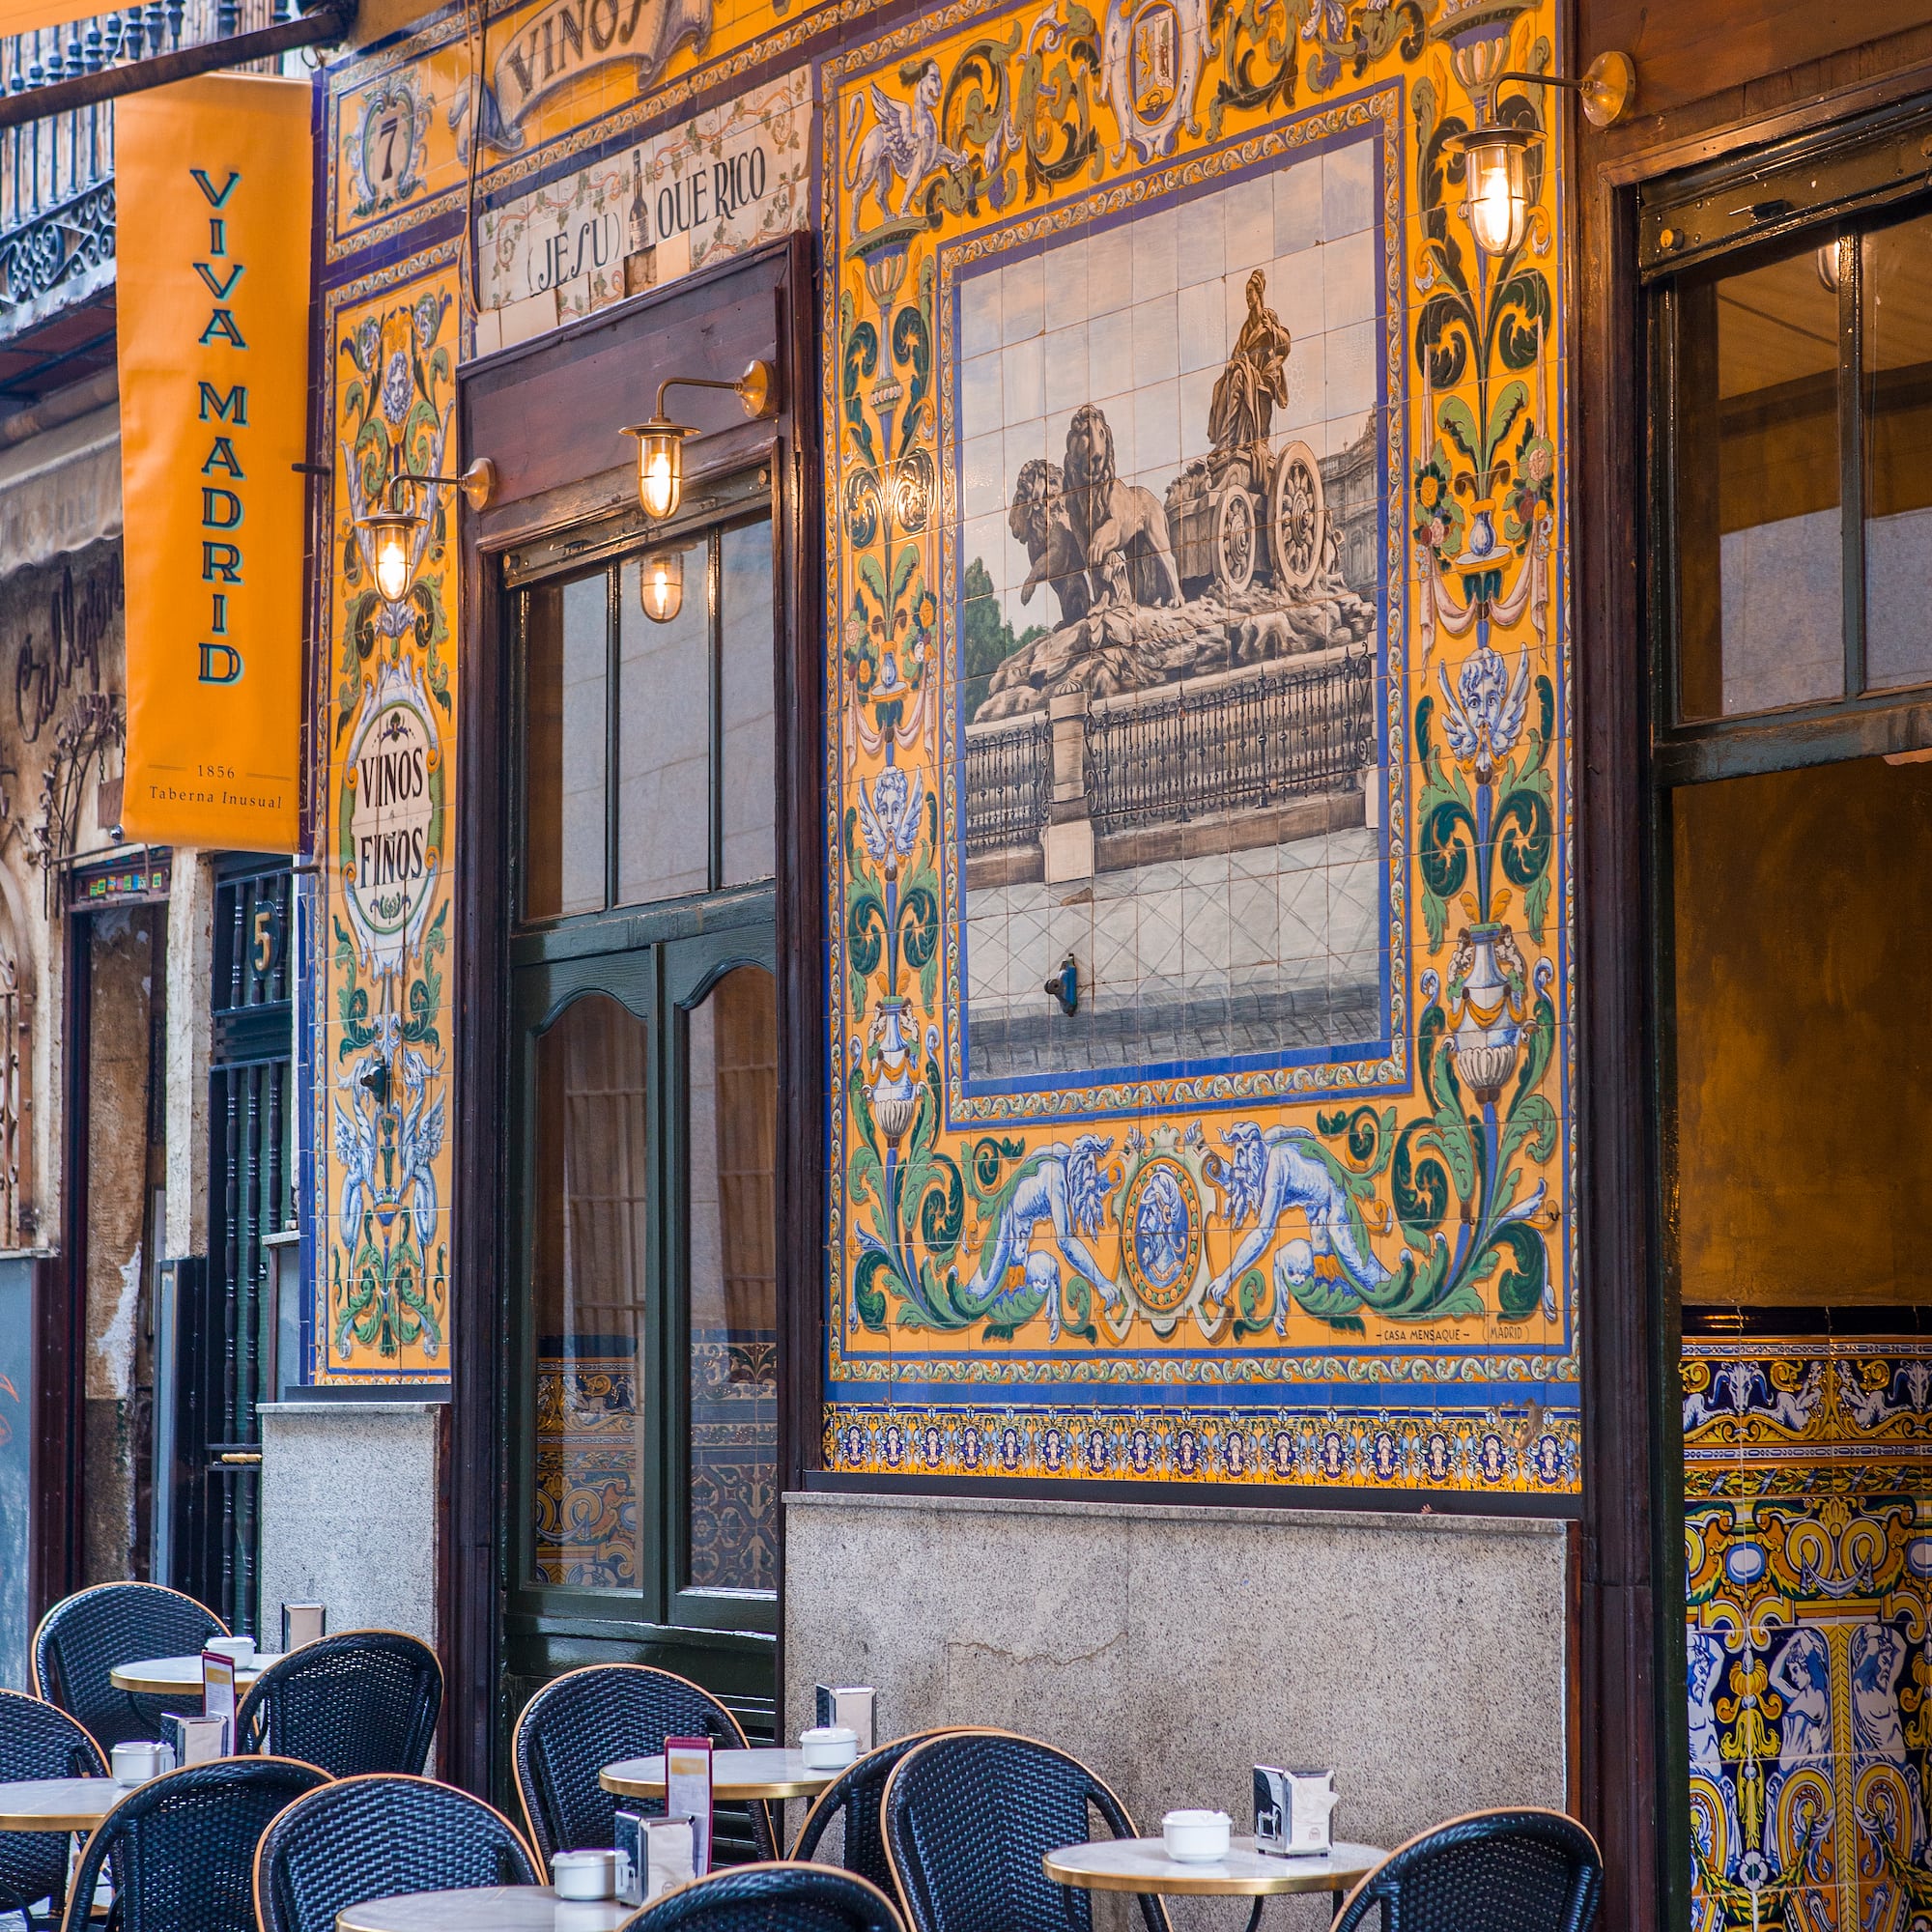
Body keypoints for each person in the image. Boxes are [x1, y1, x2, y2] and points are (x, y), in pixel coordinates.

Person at [1207, 269, 1293, 485]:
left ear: (1259, 293)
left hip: (1262, 378)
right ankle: (1225, 442)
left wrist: (1271, 330)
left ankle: (1227, 443)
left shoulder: (1267, 317)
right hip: (1246, 374)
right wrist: (1234, 362)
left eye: (1250, 292)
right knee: (1223, 385)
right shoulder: (1246, 327)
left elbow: (1286, 345)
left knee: (1237, 379)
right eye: (1246, 293)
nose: (1247, 297)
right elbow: (1238, 353)